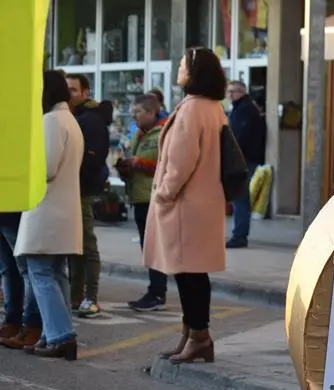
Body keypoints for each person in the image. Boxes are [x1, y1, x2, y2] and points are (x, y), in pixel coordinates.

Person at [144, 47, 229, 364]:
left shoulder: (193, 109)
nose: (178, 69)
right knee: (193, 274)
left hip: (185, 205)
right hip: (202, 203)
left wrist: (164, 193)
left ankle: (198, 337)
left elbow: (180, 161)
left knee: (187, 275)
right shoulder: (212, 107)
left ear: (195, 72)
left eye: (182, 65)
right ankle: (192, 335)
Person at [14, 70, 84, 360]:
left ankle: (60, 335)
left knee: (40, 272)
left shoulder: (51, 121)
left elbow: (47, 168)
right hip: (63, 211)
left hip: (46, 209)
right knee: (56, 273)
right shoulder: (69, 120)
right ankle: (52, 333)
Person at [65, 73, 112, 318]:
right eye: (66, 89)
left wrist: (75, 175)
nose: (69, 93)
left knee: (86, 245)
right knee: (74, 247)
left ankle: (90, 297)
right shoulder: (73, 116)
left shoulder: (90, 120)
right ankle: (75, 295)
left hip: (81, 191)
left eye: (73, 89)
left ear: (85, 92)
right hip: (71, 189)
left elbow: (92, 158)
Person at [116, 94, 169, 312]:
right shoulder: (140, 133)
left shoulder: (163, 133)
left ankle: (157, 292)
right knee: (147, 247)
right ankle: (154, 290)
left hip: (152, 197)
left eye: (138, 111)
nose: (134, 115)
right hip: (139, 196)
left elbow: (165, 165)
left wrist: (140, 163)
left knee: (154, 248)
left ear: (151, 112)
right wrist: (126, 167)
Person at [225, 80, 267, 249]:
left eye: (234, 91)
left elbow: (239, 138)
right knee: (239, 198)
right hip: (244, 159)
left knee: (240, 198)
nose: (230, 95)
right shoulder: (239, 108)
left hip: (244, 160)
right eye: (228, 91)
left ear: (242, 91)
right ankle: (239, 233)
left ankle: (239, 236)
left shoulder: (245, 109)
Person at [0, 215, 43, 348]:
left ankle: (32, 326)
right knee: (8, 269)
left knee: (26, 271)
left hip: (14, 212)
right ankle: (13, 321)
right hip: (7, 212)